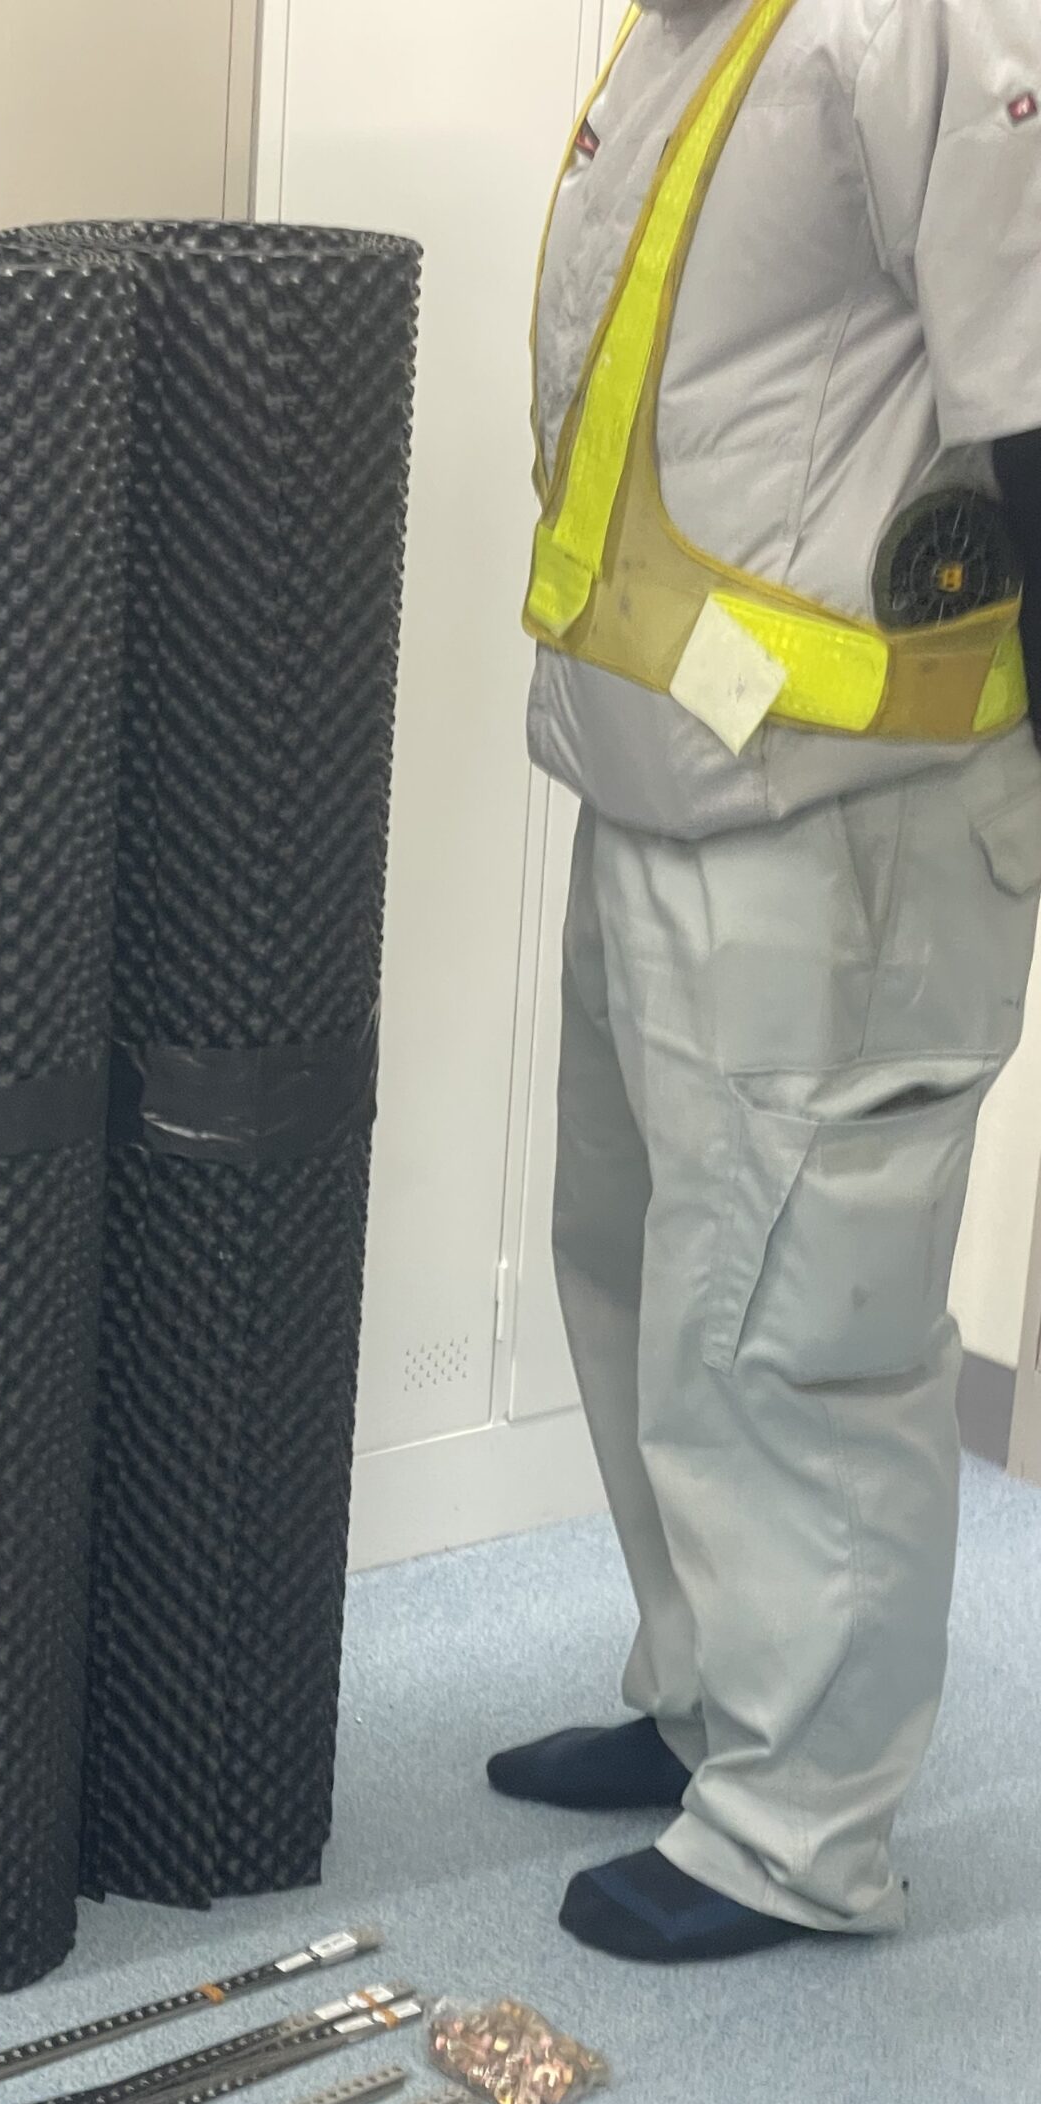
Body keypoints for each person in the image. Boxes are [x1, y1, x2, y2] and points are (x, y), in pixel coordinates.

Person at [490, 0, 1041, 1962]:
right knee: (648, 1278)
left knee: (799, 1330)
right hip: (667, 787)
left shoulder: (928, 22)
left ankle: (801, 1827)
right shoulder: (696, 31)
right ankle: (709, 1701)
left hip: (848, 829)